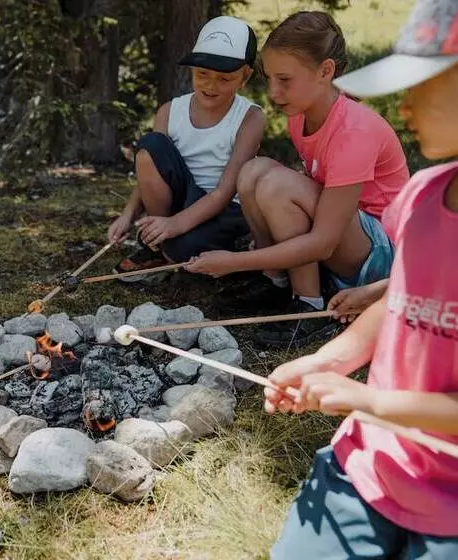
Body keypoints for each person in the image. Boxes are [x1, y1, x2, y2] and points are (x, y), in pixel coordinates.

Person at [265, 1, 458, 556]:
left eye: (424, 85)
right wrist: (330, 361)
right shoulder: (423, 197)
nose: (405, 103)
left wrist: (368, 399)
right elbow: (401, 302)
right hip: (373, 461)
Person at [185, 11, 410, 348]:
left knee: (277, 186)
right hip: (347, 234)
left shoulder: (355, 131)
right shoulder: (301, 116)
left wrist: (232, 262)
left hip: (382, 261)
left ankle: (311, 307)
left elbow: (323, 243)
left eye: (285, 80)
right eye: (269, 79)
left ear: (326, 71)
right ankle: (276, 281)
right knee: (253, 171)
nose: (274, 93)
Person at [108, 15, 265, 283]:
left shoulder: (250, 117)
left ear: (245, 76)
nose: (210, 85)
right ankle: (155, 243)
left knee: (183, 250)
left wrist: (175, 225)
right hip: (181, 197)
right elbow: (149, 169)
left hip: (225, 207)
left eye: (224, 78)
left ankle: (175, 241)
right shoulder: (170, 111)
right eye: (202, 74)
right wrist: (128, 214)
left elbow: (224, 192)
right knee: (151, 146)